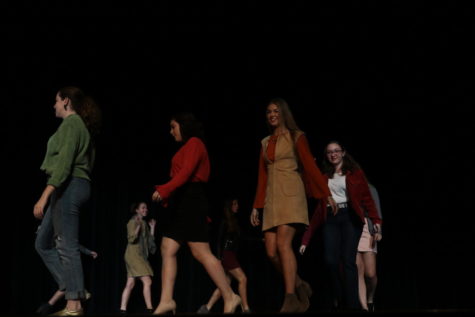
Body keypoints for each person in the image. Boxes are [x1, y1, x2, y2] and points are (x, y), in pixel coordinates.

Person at [250, 98, 337, 313]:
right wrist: (256, 206)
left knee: (283, 244)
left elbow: (309, 166)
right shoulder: (264, 142)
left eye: (276, 111)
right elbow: (262, 176)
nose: (272, 115)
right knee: (270, 251)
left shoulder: (296, 137)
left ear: (284, 114)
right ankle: (300, 284)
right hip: (272, 199)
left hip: (291, 195)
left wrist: (326, 195)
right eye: (269, 112)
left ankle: (289, 297)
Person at [151, 112, 241, 314]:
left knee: (201, 252)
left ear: (183, 125)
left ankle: (230, 295)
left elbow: (186, 173)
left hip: (191, 201)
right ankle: (166, 300)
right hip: (181, 201)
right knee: (168, 247)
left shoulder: (195, 143)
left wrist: (165, 189)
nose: (171, 131)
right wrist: (169, 195)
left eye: (173, 127)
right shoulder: (186, 146)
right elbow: (180, 176)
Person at [34, 86, 101, 316]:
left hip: (68, 185)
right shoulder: (79, 127)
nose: (54, 105)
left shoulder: (72, 124)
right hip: (71, 185)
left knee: (66, 245)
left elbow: (64, 164)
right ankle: (75, 287)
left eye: (56, 101)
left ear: (66, 101)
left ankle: (74, 305)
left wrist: (44, 196)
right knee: (42, 242)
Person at [299, 141, 382, 311]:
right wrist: (306, 239)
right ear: (327, 156)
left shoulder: (354, 174)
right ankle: (340, 297)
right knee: (330, 261)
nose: (333, 154)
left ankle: (352, 306)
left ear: (343, 153)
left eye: (336, 151)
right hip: (331, 217)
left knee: (349, 261)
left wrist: (377, 222)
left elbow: (367, 199)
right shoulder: (323, 177)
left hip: (350, 218)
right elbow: (314, 202)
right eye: (330, 152)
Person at [197, 198, 251, 314]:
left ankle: (207, 307)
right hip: (226, 255)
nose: (237, 206)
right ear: (230, 206)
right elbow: (219, 240)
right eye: (235, 204)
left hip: (230, 255)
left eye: (237, 204)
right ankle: (246, 309)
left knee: (224, 284)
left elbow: (242, 239)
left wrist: (260, 239)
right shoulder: (225, 221)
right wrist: (219, 257)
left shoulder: (234, 221)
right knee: (243, 279)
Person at [35, 243, 98, 315]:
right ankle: (82, 292)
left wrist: (87, 251)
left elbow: (71, 241)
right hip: (60, 258)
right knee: (67, 284)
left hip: (63, 257)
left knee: (68, 284)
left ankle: (80, 295)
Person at [120, 202, 157, 314]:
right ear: (137, 210)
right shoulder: (132, 222)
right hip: (133, 255)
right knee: (147, 280)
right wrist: (138, 226)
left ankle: (122, 309)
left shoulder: (144, 223)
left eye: (146, 207)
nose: (146, 209)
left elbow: (150, 242)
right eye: (143, 208)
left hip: (139, 255)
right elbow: (131, 239)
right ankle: (150, 308)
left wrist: (152, 228)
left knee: (130, 283)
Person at [356, 184, 383, 312]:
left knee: (370, 274)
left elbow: (376, 211)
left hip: (368, 228)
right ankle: (365, 307)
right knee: (358, 270)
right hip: (352, 227)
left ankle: (370, 298)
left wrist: (378, 230)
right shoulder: (344, 187)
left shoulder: (370, 188)